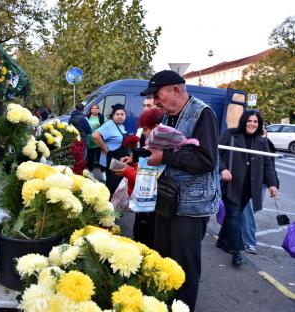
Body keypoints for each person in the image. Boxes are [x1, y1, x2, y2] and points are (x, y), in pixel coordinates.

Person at [140, 70, 220, 311]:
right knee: (164, 261)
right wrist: (140, 156)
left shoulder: (203, 113)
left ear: (176, 90)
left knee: (184, 268)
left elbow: (206, 160)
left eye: (157, 95)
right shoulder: (169, 116)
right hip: (168, 200)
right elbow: (165, 150)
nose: (155, 101)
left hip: (191, 207)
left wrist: (163, 155)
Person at [217, 110, 278, 263]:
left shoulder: (261, 142)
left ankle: (222, 241)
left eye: (255, 122)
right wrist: (223, 169)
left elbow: (268, 164)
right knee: (234, 215)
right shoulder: (231, 135)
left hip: (250, 187)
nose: (252, 124)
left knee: (233, 215)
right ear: (244, 121)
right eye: (249, 121)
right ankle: (236, 251)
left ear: (259, 125)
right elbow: (215, 153)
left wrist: (272, 184)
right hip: (231, 184)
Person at [112, 108, 163, 247]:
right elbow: (143, 169)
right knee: (139, 233)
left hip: (148, 204)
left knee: (144, 239)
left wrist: (127, 171)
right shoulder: (152, 145)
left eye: (146, 129)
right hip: (141, 203)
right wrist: (132, 162)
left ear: (157, 128)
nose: (144, 133)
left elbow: (148, 179)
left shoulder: (159, 149)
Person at [240, 125, 280, 254]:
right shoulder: (244, 140)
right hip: (248, 183)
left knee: (254, 209)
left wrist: (273, 184)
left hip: (261, 183)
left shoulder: (266, 142)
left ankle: (230, 229)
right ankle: (249, 242)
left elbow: (270, 164)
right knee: (249, 212)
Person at [92, 104, 130, 195]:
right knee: (113, 185)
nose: (120, 116)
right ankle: (110, 206)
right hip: (113, 160)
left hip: (121, 159)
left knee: (119, 185)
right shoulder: (109, 125)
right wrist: (104, 147)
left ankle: (116, 205)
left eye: (122, 114)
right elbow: (95, 135)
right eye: (117, 114)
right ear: (113, 116)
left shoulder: (121, 126)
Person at [86, 104, 105, 180]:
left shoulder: (102, 117)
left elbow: (106, 126)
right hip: (89, 142)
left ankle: (103, 174)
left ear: (98, 110)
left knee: (100, 159)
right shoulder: (87, 117)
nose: (95, 110)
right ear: (91, 110)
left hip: (98, 141)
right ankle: (90, 173)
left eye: (96, 108)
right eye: (93, 108)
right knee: (90, 159)